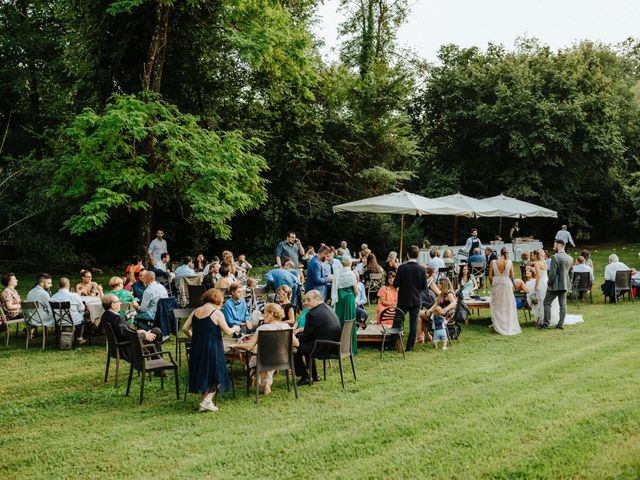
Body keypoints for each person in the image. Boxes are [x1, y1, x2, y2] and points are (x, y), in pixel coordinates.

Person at [183, 288, 240, 412]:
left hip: (197, 347)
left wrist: (196, 338)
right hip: (212, 348)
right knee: (217, 373)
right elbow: (227, 331)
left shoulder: (196, 311)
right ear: (218, 300)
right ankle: (206, 400)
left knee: (204, 373)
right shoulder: (216, 313)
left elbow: (185, 328)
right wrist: (236, 328)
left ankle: (205, 401)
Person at [233, 303, 299, 395]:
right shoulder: (286, 327)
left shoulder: (262, 328)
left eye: (264, 313)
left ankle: (265, 383)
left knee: (258, 353)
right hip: (283, 359)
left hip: (265, 361)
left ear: (271, 314)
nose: (263, 316)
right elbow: (296, 343)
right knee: (265, 351)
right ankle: (266, 383)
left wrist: (235, 346)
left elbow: (248, 346)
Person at [294, 290, 342, 385]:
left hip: (324, 348)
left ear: (317, 299)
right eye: (305, 300)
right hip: (335, 345)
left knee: (294, 349)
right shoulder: (328, 308)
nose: (306, 302)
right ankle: (314, 375)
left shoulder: (312, 314)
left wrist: (296, 339)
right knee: (305, 345)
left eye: (308, 300)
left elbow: (306, 337)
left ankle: (305, 376)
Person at [100, 294, 163, 362]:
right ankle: (158, 368)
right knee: (156, 332)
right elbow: (126, 334)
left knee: (155, 339)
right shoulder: (115, 318)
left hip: (118, 346)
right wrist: (144, 335)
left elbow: (123, 331)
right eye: (118, 301)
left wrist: (139, 332)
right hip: (127, 347)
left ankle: (158, 369)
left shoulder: (105, 315)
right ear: (112, 305)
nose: (120, 303)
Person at [393, 245, 427, 351]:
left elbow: (395, 284)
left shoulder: (402, 267)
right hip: (416, 300)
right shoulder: (421, 269)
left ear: (407, 254)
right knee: (414, 324)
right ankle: (409, 347)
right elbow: (424, 286)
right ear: (417, 255)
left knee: (397, 322)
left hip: (403, 299)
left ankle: (390, 344)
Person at [488, 246, 521, 335]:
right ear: (506, 253)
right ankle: (507, 324)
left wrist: (493, 283)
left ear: (500, 253)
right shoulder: (509, 262)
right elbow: (512, 276)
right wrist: (514, 285)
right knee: (508, 304)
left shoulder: (493, 262)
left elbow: (490, 276)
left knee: (497, 303)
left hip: (496, 283)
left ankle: (498, 324)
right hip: (506, 283)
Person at [542, 239, 573, 329]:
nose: (554, 246)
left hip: (554, 285)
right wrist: (568, 283)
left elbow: (552, 273)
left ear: (559, 245)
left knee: (547, 302)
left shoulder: (555, 257)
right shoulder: (570, 258)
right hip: (564, 285)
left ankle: (546, 323)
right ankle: (560, 324)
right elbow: (571, 273)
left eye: (555, 244)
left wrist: (549, 282)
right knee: (563, 305)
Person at [331, 256, 358, 354]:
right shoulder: (351, 274)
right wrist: (356, 297)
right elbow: (355, 290)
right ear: (350, 264)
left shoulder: (337, 274)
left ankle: (339, 346)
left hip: (339, 300)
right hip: (349, 300)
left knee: (340, 320)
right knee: (349, 320)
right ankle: (349, 347)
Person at [50, 277, 87, 344]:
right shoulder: (75, 296)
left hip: (59, 321)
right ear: (68, 285)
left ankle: (59, 337)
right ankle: (79, 337)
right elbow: (81, 308)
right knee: (83, 316)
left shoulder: (53, 298)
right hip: (73, 320)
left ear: (59, 286)